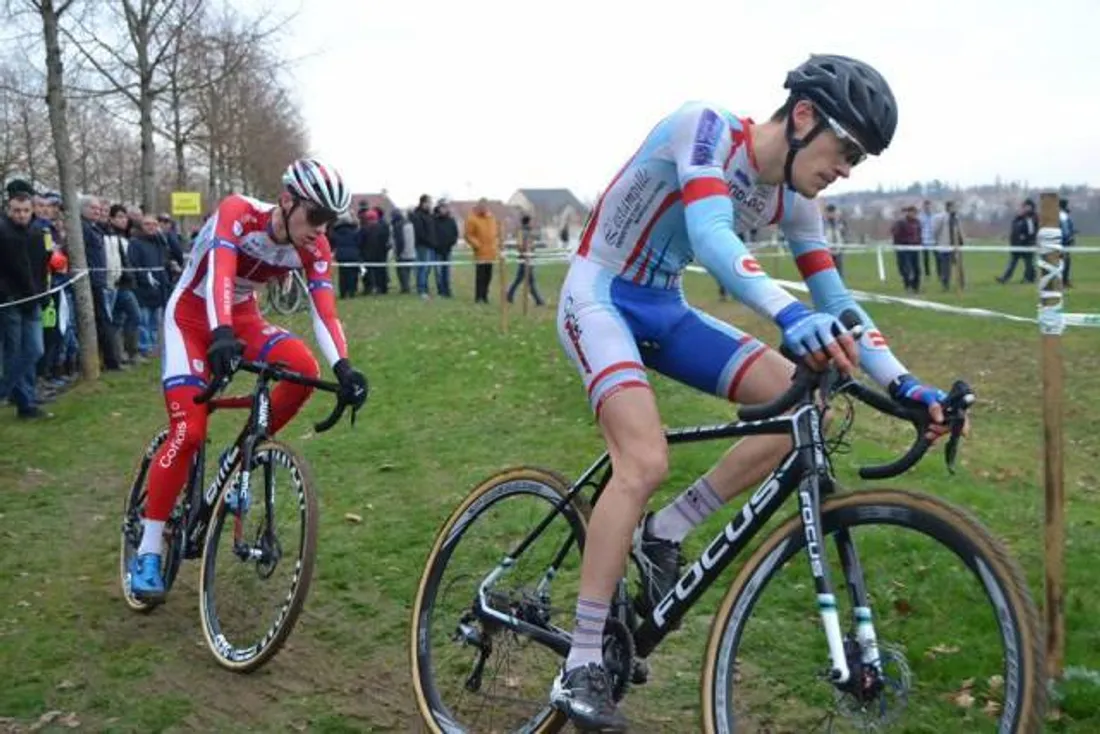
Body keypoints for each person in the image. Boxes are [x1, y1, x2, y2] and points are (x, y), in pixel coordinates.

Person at [550, 54, 966, 731]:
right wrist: (790, 316)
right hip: (598, 294)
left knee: (803, 402)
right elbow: (712, 235)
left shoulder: (797, 202)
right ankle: (583, 659)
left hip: (661, 305)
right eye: (847, 150)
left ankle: (667, 530)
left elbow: (838, 301)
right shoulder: (706, 129)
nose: (847, 170)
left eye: (860, 161)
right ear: (804, 116)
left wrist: (907, 384)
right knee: (644, 460)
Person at [126, 158, 369, 603]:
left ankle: (241, 454)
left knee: (303, 370)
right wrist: (219, 335)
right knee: (189, 431)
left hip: (240, 319)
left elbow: (325, 312)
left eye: (330, 221)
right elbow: (220, 273)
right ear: (287, 199)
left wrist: (345, 368)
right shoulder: (239, 213)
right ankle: (148, 547)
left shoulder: (315, 248)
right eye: (315, 216)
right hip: (191, 317)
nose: (321, 229)